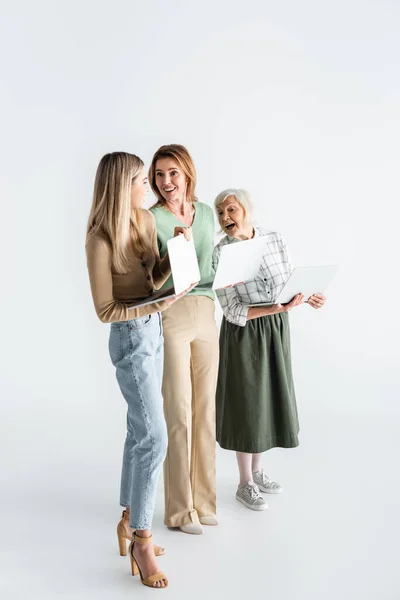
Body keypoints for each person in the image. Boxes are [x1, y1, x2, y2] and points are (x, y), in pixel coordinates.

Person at [86, 151, 192, 588]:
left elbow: (153, 279)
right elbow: (105, 311)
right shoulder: (99, 239)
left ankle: (129, 519)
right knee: (155, 436)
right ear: (118, 185)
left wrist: (176, 255)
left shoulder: (144, 222)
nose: (147, 186)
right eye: (137, 180)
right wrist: (157, 303)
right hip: (129, 339)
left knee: (138, 430)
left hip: (153, 330)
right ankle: (142, 541)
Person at [212, 188, 326, 511]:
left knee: (264, 403)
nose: (225, 218)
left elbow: (287, 282)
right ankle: (244, 483)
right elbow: (231, 310)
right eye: (220, 214)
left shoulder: (274, 238)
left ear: (246, 210)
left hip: (275, 330)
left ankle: (258, 473)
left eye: (231, 210)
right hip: (244, 332)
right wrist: (274, 310)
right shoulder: (221, 254)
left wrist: (308, 295)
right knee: (247, 404)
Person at [148, 144, 219, 535]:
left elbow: (211, 265)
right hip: (171, 311)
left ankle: (205, 502)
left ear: (187, 173)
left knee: (205, 409)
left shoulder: (206, 213)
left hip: (206, 311)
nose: (166, 182)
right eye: (159, 174)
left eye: (173, 173)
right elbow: (150, 274)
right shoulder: (151, 219)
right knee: (178, 408)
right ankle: (178, 511)